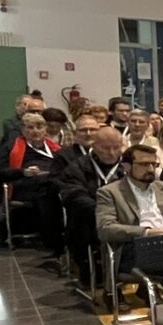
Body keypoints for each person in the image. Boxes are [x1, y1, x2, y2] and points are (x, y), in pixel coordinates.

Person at [53, 122, 126, 287]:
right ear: (94, 145)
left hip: (125, 216)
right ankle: (99, 275)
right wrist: (103, 211)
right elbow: (73, 195)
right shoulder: (78, 166)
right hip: (90, 218)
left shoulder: (127, 165)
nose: (111, 153)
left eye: (116, 147)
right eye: (105, 148)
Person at [98, 144, 163, 246]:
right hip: (137, 245)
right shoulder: (110, 192)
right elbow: (105, 229)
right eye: (144, 164)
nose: (151, 169)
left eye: (154, 164)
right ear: (127, 167)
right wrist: (146, 232)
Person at [0, 110, 63, 255]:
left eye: (39, 127)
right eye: (30, 127)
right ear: (23, 130)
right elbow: (0, 171)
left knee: (55, 188)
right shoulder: (11, 147)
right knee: (46, 191)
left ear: (45, 129)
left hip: (51, 183)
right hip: (23, 184)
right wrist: (23, 172)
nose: (35, 131)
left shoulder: (55, 148)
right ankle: (52, 239)